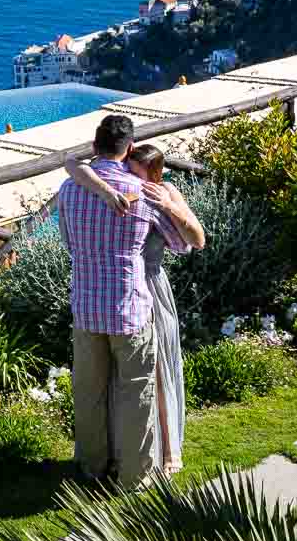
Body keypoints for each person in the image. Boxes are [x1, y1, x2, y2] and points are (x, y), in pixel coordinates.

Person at [57, 115, 197, 489]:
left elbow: (69, 243)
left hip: (86, 304)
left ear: (94, 146)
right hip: (130, 306)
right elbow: (183, 245)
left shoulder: (70, 189)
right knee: (135, 393)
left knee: (89, 391)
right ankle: (134, 476)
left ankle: (91, 467)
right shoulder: (144, 194)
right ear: (130, 148)